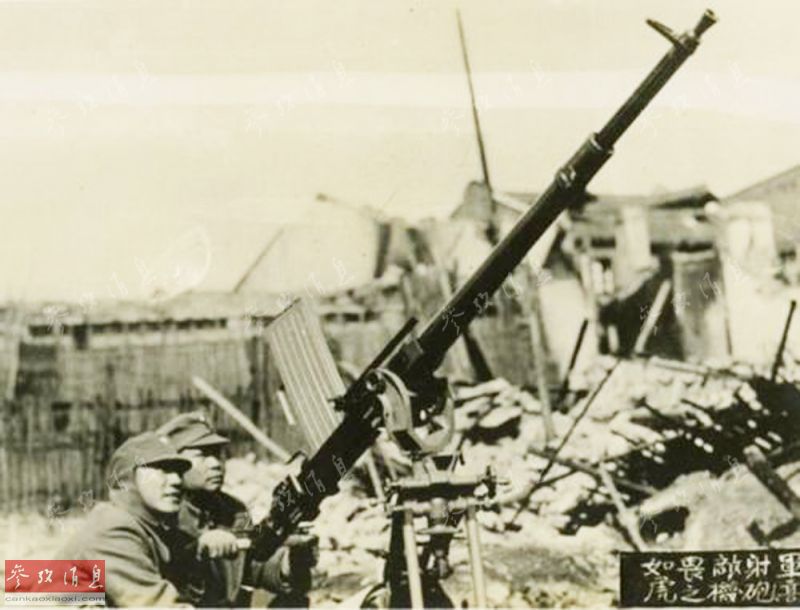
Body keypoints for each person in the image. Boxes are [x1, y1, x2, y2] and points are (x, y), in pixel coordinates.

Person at [156, 411, 317, 607]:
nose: (215, 464)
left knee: (293, 603)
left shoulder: (234, 511)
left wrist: (291, 560)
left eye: (217, 454)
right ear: (174, 462)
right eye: (202, 455)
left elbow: (253, 565)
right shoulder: (159, 514)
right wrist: (197, 548)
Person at [56, 432, 193, 607]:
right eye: (163, 469)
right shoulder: (114, 529)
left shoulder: (144, 525)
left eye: (178, 472)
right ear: (129, 478)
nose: (176, 480)